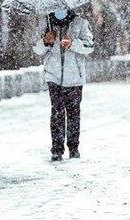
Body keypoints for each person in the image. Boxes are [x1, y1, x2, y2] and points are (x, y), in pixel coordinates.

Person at [32, 9, 94, 162]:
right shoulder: (46, 22)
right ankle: (57, 150)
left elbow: (89, 46)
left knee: (73, 113)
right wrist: (46, 41)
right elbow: (36, 48)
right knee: (57, 113)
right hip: (53, 76)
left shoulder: (80, 22)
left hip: (74, 78)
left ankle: (74, 148)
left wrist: (73, 44)